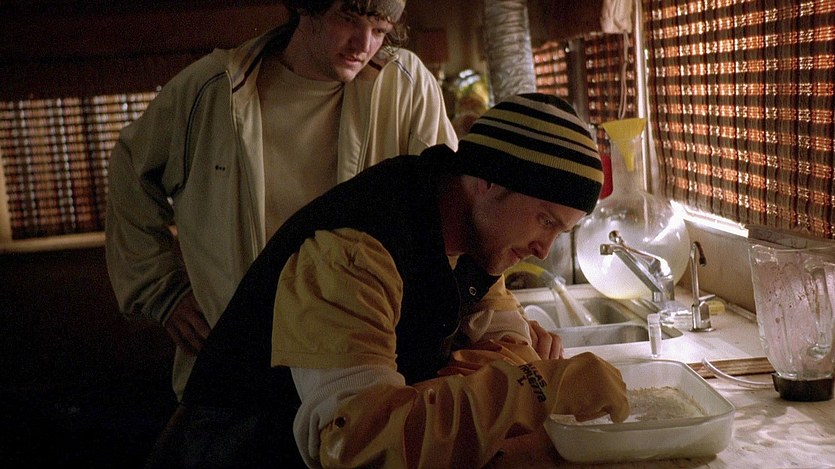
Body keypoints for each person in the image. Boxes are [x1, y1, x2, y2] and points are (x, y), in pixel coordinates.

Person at [146, 93, 629, 468]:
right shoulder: (353, 252)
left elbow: (505, 335)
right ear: (489, 180)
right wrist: (534, 387)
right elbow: (359, 445)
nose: (544, 249)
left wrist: (507, 375)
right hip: (234, 450)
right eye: (544, 220)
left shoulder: (471, 239)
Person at [104, 0, 459, 401]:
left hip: (363, 363)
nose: (364, 44)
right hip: (237, 371)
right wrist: (162, 291)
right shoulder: (214, 87)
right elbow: (130, 169)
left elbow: (449, 206)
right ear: (308, 8)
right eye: (349, 19)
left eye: (380, 30)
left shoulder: (404, 84)